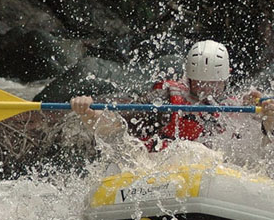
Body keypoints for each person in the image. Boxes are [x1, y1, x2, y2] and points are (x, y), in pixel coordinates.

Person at [70, 39, 237, 151]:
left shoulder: (233, 109)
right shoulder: (162, 101)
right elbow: (115, 124)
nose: (206, 90)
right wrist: (87, 112)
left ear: (226, 78)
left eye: (213, 84)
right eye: (200, 83)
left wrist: (264, 115)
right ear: (189, 78)